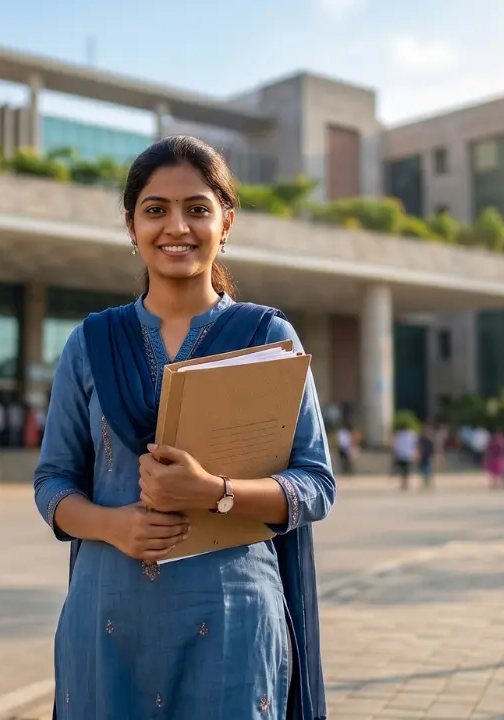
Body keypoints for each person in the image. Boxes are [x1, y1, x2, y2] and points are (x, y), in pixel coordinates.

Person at [32, 136, 335, 720]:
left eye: (197, 208)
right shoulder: (91, 344)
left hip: (232, 624)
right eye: (155, 209)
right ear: (131, 225)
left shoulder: (267, 339)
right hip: (109, 619)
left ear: (226, 221)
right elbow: (52, 482)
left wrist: (215, 494)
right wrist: (110, 524)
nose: (177, 226)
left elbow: (316, 483)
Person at [392, 421, 418, 490]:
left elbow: (396, 446)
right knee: (407, 470)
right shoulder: (412, 434)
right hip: (408, 455)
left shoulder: (399, 435)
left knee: (402, 470)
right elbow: (415, 445)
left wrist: (395, 454)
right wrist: (415, 453)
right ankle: (405, 482)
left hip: (401, 455)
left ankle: (403, 483)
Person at [418, 423, 436, 490]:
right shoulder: (422, 439)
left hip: (427, 455)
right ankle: (425, 483)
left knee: (427, 470)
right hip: (423, 456)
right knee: (424, 470)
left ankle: (427, 482)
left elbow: (432, 448)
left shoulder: (429, 439)